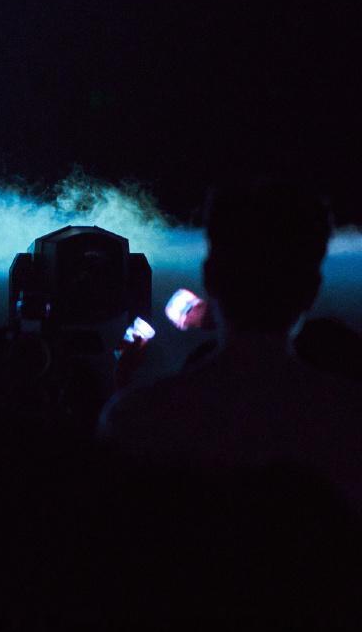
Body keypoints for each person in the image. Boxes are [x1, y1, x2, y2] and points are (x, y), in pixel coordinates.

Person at [99, 181, 362, 504]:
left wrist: (122, 380)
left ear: (209, 276)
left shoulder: (137, 419)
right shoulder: (348, 421)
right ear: (313, 289)